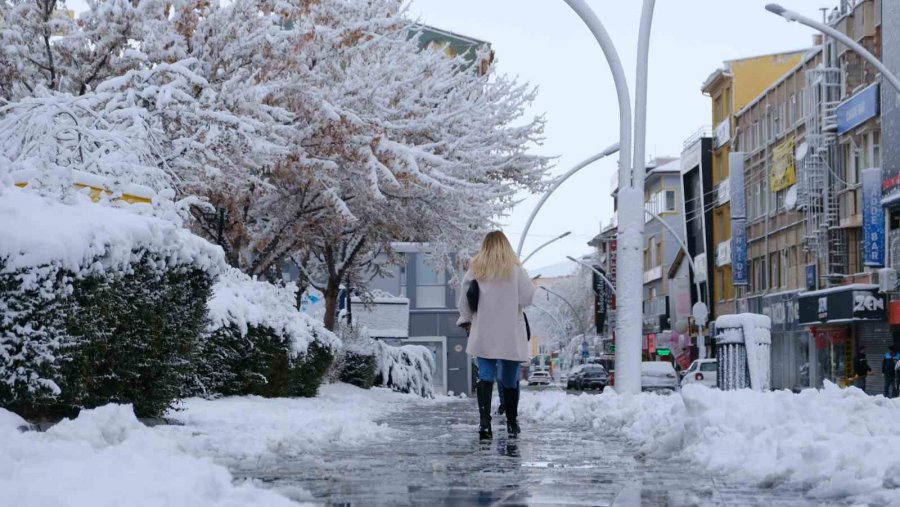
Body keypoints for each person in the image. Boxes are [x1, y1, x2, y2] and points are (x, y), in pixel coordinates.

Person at [457, 231, 535, 440]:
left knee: (485, 375)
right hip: (510, 332)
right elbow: (527, 297)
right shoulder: (516, 270)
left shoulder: (476, 268)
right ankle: (512, 422)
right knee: (509, 379)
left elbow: (465, 297)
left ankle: (485, 423)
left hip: (484, 329)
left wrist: (467, 318)